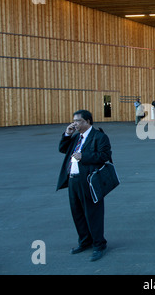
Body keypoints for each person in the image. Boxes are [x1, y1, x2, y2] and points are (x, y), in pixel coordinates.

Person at [56, 109, 112, 262]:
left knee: (93, 214)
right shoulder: (76, 138)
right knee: (78, 213)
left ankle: (99, 244)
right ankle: (85, 241)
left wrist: (84, 156)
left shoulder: (99, 137)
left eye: (78, 121)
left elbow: (105, 156)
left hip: (89, 181)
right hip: (73, 181)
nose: (75, 123)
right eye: (74, 121)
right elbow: (62, 149)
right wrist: (67, 134)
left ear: (88, 121)